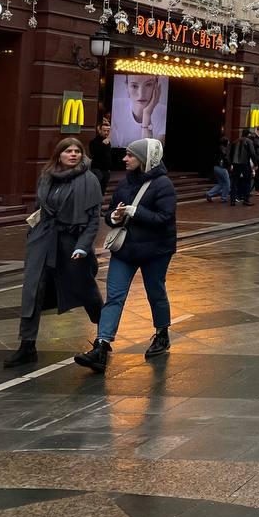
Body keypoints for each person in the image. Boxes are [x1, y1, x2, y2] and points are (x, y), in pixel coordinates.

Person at [75, 138, 177, 373]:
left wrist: (136, 211)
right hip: (125, 249)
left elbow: (164, 219)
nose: (125, 159)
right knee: (114, 296)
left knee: (156, 292)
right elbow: (111, 211)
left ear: (143, 159)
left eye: (130, 155)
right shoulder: (125, 182)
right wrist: (115, 217)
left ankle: (162, 333)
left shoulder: (163, 185)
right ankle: (101, 346)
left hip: (155, 251)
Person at [4, 138, 104, 369]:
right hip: (43, 241)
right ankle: (27, 345)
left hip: (72, 244)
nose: (73, 154)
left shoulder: (89, 180)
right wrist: (33, 233)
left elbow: (92, 221)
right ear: (58, 154)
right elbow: (40, 208)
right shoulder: (47, 176)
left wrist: (83, 246)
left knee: (86, 291)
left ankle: (103, 338)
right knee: (33, 290)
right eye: (68, 151)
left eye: (77, 151)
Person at [229, 129, 256, 206]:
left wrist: (231, 164)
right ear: (248, 135)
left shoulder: (235, 141)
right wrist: (255, 164)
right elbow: (252, 153)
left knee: (234, 182)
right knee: (247, 181)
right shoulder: (249, 141)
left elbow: (230, 154)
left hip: (235, 164)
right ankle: (246, 200)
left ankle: (232, 200)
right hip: (245, 163)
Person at [88, 116, 111, 195]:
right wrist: (103, 145)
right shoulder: (94, 142)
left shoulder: (107, 142)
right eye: (104, 131)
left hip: (106, 170)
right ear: (100, 131)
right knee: (96, 191)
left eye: (108, 131)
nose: (106, 133)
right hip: (97, 170)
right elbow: (95, 154)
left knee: (102, 191)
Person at [205, 135, 231, 203]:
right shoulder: (223, 149)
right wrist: (230, 165)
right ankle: (224, 198)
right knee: (227, 184)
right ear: (225, 142)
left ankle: (209, 194)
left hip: (215, 168)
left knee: (221, 184)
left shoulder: (218, 148)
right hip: (222, 168)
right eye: (228, 142)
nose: (228, 143)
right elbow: (225, 158)